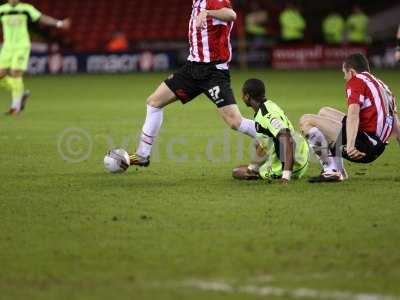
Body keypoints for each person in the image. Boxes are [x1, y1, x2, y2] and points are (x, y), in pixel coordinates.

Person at [129, 0, 257, 167]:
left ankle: (276, 135)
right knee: (154, 102)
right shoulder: (198, 2)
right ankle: (142, 155)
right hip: (191, 69)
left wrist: (208, 13)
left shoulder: (212, 1)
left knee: (235, 122)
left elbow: (231, 15)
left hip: (213, 72)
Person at [300, 53, 399, 183]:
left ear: (351, 72)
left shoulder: (356, 81)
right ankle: (339, 171)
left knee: (305, 121)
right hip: (376, 146)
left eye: (344, 73)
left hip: (363, 145)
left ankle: (330, 171)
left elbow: (353, 114)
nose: (345, 77)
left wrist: (351, 145)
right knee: (324, 111)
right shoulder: (383, 86)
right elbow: (396, 126)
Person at [0, 0, 70, 116]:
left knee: (15, 73)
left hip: (21, 45)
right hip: (7, 46)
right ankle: (21, 93)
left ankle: (15, 107)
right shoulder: (2, 9)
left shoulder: (26, 8)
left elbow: (41, 18)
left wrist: (59, 23)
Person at [232, 79, 309, 183]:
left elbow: (288, 140)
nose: (241, 97)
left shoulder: (266, 116)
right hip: (301, 156)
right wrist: (252, 168)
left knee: (237, 172)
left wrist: (286, 176)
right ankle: (256, 170)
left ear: (247, 96)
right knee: (258, 142)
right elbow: (265, 143)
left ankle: (273, 172)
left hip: (295, 166)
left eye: (242, 94)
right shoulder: (269, 105)